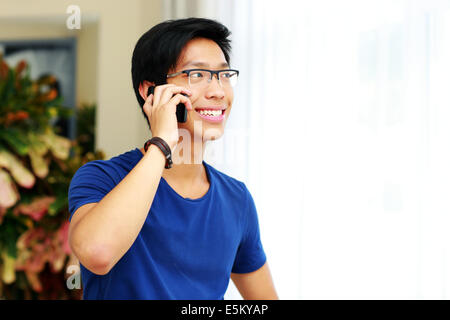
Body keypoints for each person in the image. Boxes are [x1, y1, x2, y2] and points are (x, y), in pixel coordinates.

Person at [68, 17, 278, 300]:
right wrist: (163, 143)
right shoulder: (102, 178)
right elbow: (97, 253)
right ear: (149, 91)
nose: (218, 91)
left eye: (224, 75)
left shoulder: (236, 199)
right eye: (197, 75)